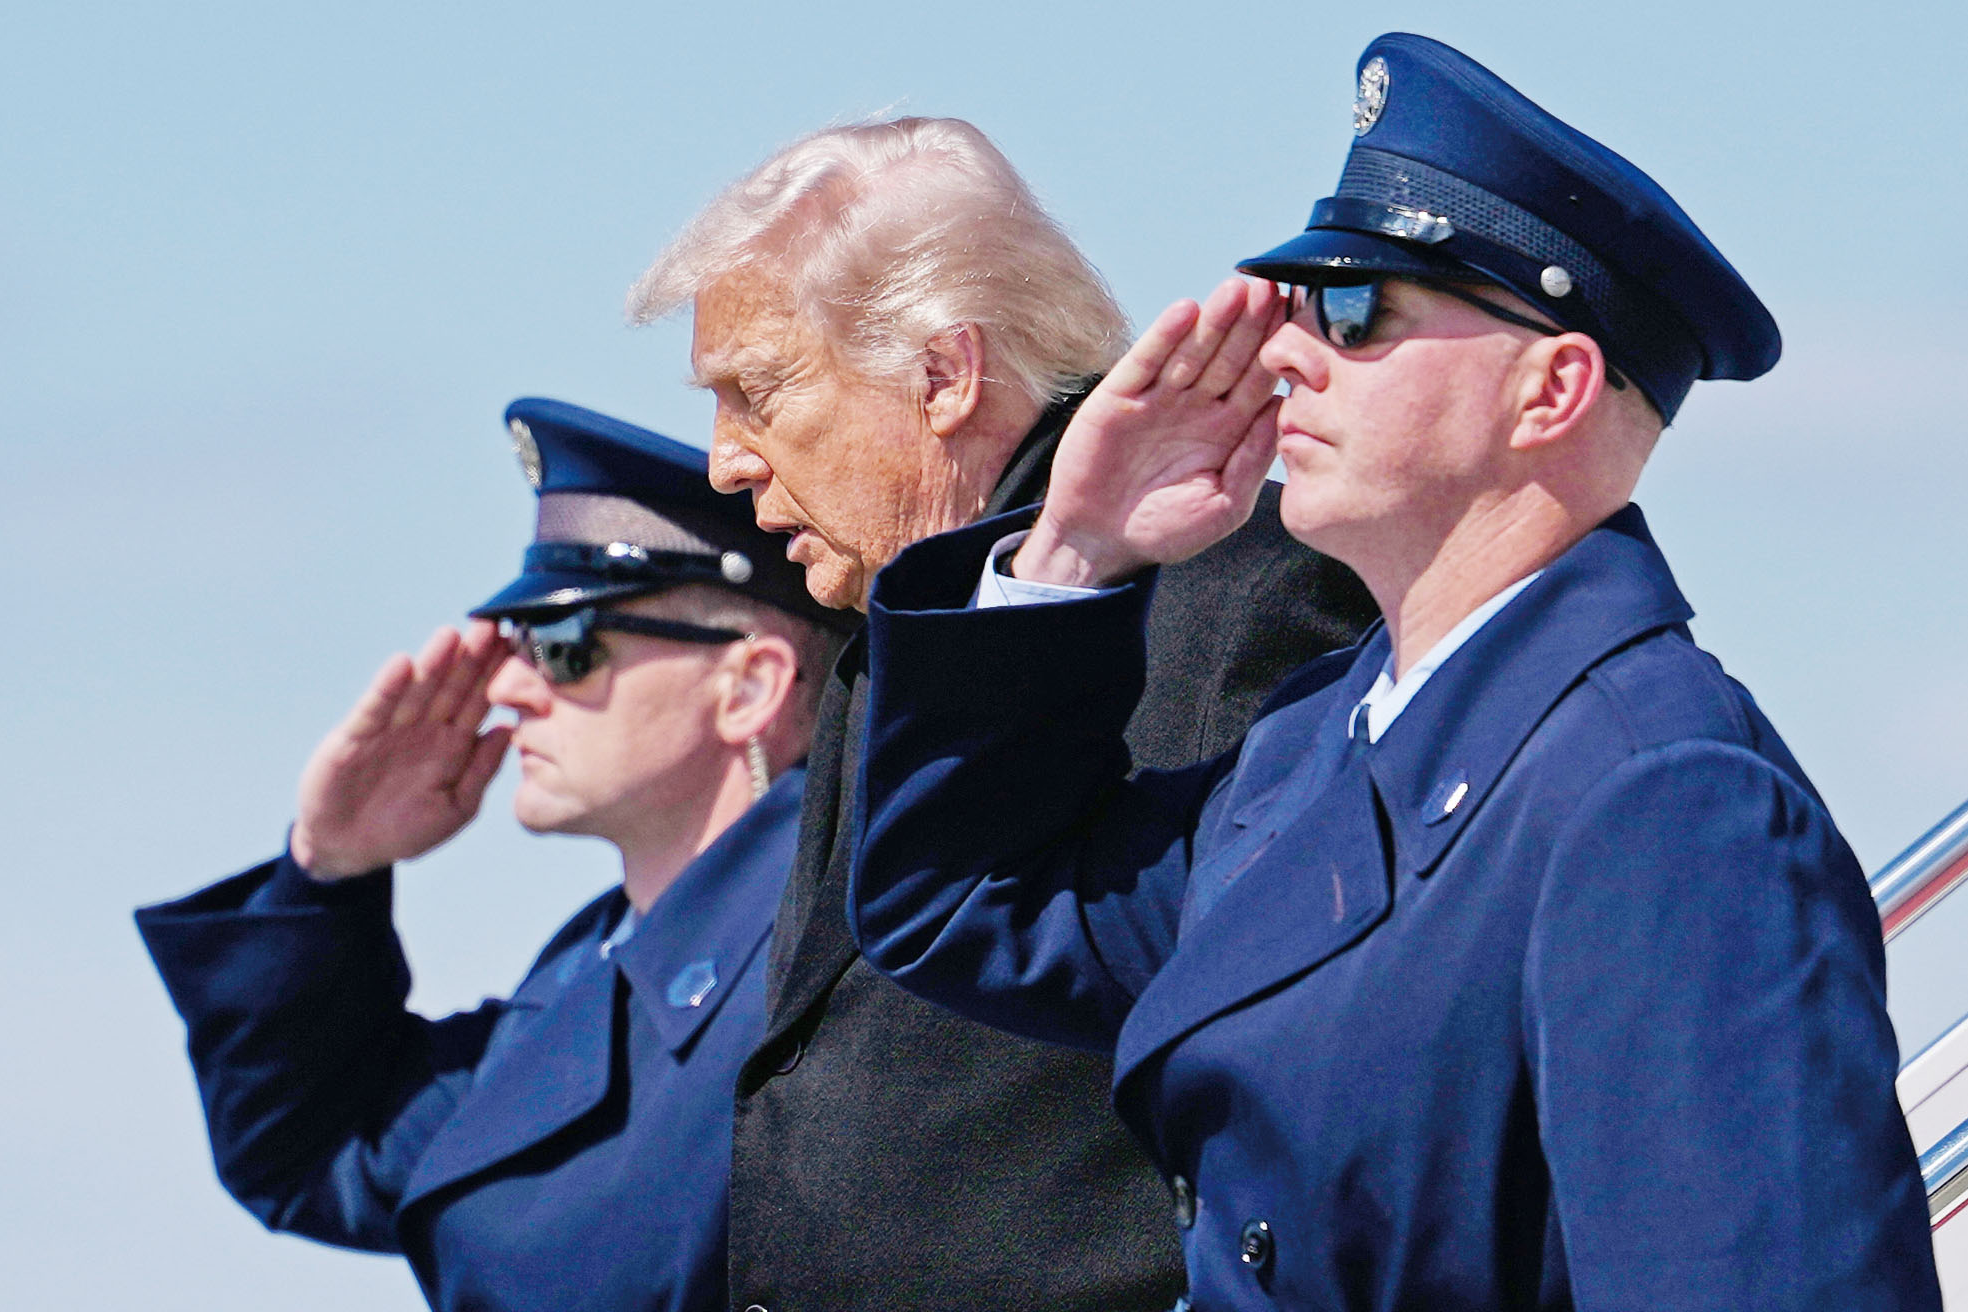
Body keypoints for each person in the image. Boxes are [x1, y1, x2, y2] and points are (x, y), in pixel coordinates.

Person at [849, 34, 1940, 1310]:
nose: (1290, 355)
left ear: (1552, 387)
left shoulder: (1662, 797)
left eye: (1357, 312)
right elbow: (965, 901)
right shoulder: (1316, 747)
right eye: (1301, 306)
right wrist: (1072, 548)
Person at [628, 118, 1377, 1309]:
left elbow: (1306, 1082)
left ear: (944, 376)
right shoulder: (891, 636)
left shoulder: (1248, 589)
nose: (725, 462)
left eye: (760, 393)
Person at [136, 399, 852, 1312]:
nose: (510, 686)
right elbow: (314, 1153)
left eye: (564, 646)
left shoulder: (846, 952)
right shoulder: (590, 973)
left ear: (748, 685)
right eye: (517, 644)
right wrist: (327, 871)